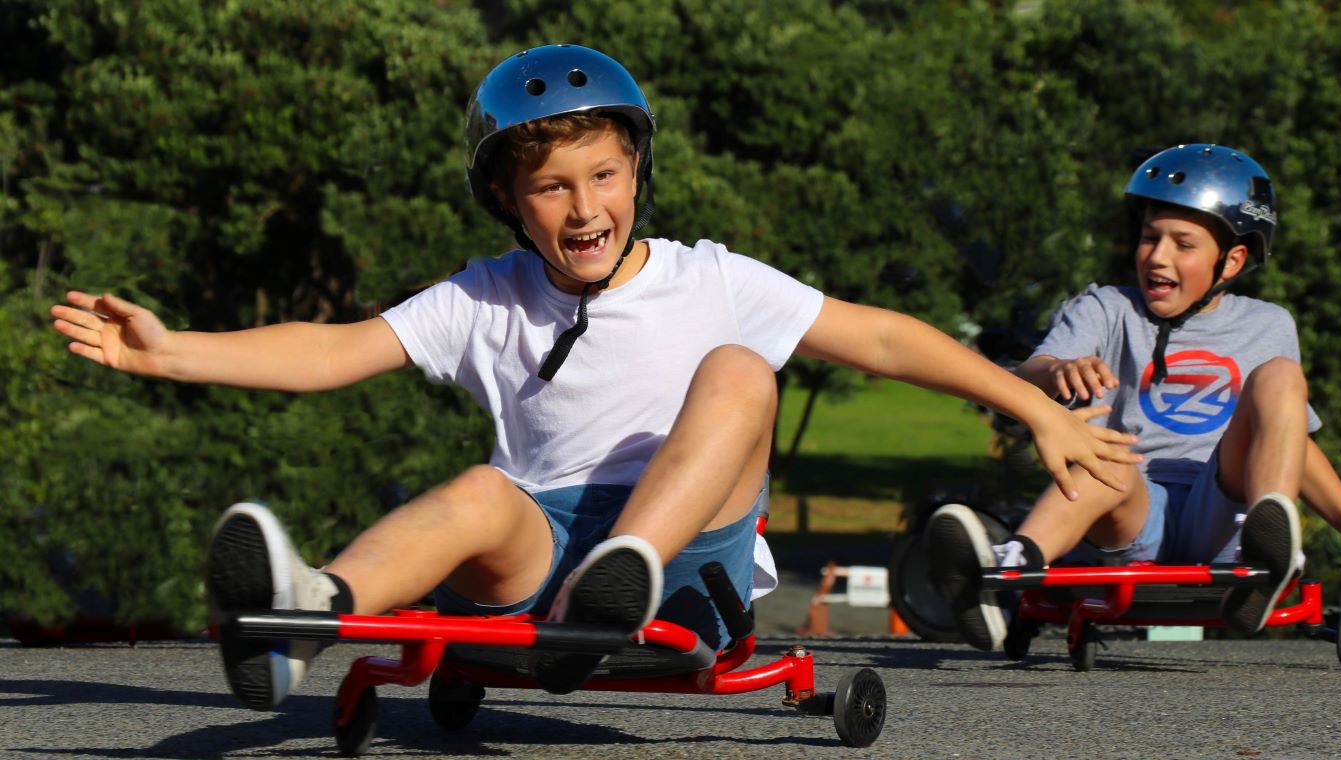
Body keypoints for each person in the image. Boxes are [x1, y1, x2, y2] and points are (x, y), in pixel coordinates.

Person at [51, 44, 1139, 709]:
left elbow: (889, 339)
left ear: (637, 173)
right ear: (507, 203)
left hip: (690, 561)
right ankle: (307, 615)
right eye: (551, 187)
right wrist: (171, 349)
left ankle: (625, 568)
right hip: (544, 560)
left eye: (605, 175)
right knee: (482, 492)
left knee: (739, 372)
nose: (583, 209)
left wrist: (1033, 407)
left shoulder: (713, 279)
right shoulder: (483, 295)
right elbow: (334, 349)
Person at [925, 143, 1341, 651]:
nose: (1158, 256)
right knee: (1106, 451)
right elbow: (1030, 373)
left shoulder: (1268, 325)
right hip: (1130, 507)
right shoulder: (1107, 308)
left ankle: (1259, 558)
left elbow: (1294, 446)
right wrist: (1060, 367)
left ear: (1232, 260)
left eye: (1183, 244)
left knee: (1281, 377)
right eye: (1150, 237)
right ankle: (1005, 569)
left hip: (1219, 508)